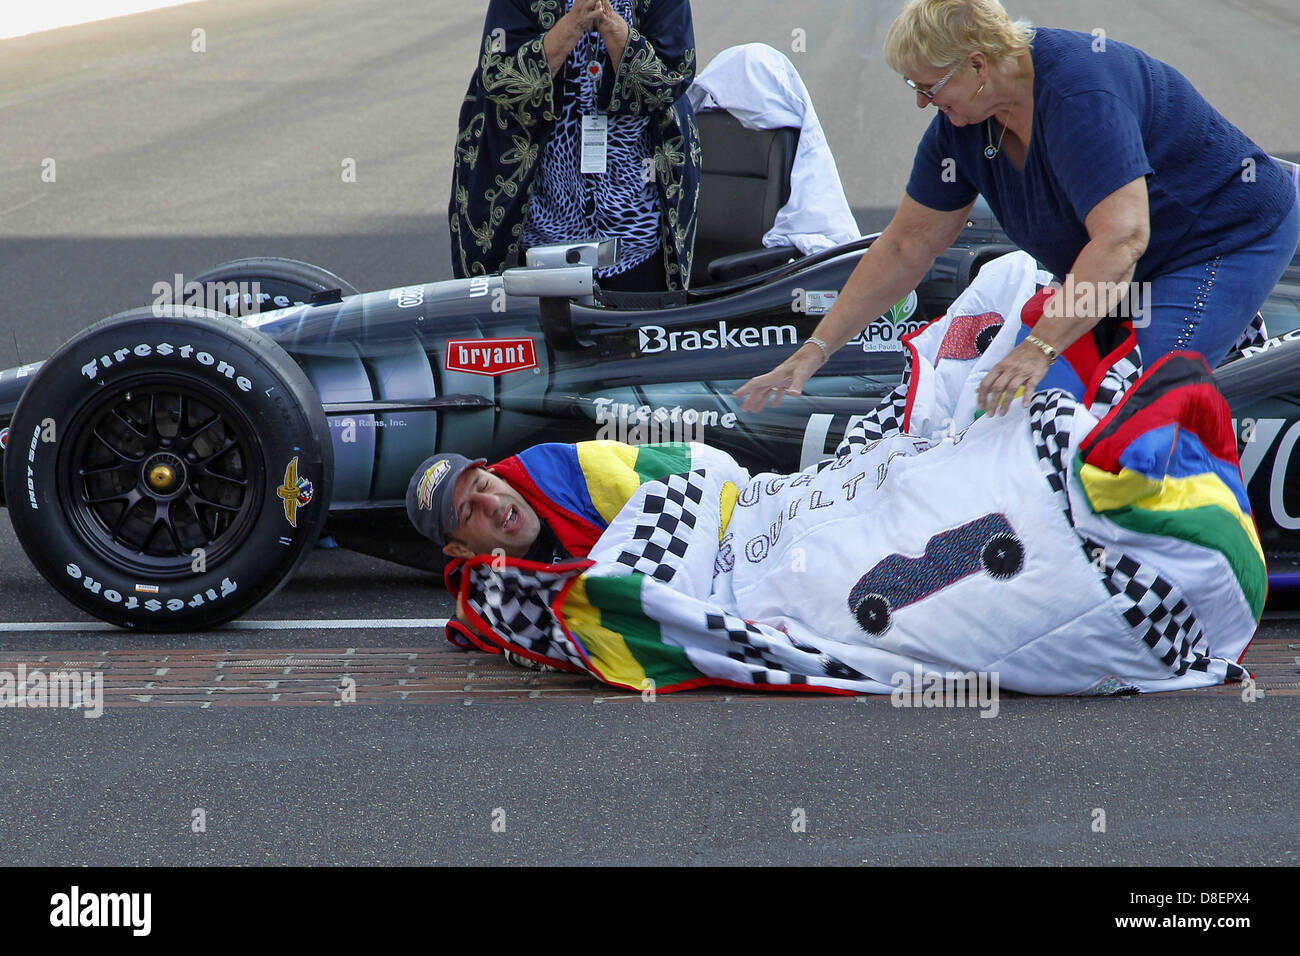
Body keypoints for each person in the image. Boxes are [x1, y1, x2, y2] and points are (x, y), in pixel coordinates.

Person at [735, 0, 1300, 416]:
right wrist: (812, 352)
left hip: (1224, 238)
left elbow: (1122, 240)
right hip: (1124, 264)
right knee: (1044, 410)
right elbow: (906, 245)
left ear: (979, 66)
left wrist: (1038, 346)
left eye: (928, 86)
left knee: (1130, 412)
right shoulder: (960, 128)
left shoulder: (1080, 93)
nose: (919, 102)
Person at [448, 0, 701, 292]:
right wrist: (574, 22)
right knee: (541, 333)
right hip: (538, 229)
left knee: (636, 329)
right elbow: (499, 78)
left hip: (638, 229)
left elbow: (671, 77)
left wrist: (608, 21)